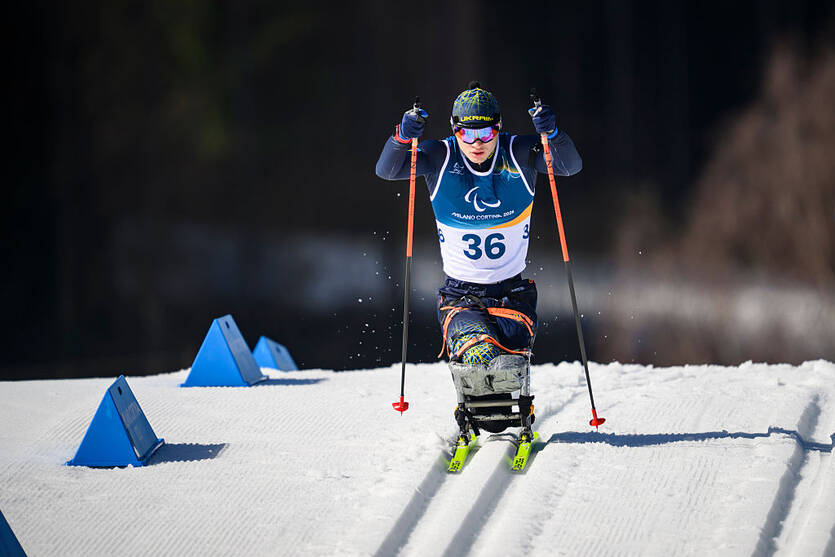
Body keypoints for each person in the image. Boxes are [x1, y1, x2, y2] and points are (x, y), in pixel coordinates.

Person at [375, 82, 582, 443]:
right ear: (455, 130)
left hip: (511, 294)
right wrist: (401, 136)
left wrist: (553, 134)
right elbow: (388, 170)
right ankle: (473, 401)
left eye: (485, 131)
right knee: (479, 357)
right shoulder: (440, 156)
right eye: (466, 132)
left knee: (507, 370)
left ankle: (510, 406)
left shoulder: (518, 151)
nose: (476, 142)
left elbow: (569, 166)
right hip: (461, 296)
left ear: (497, 127)